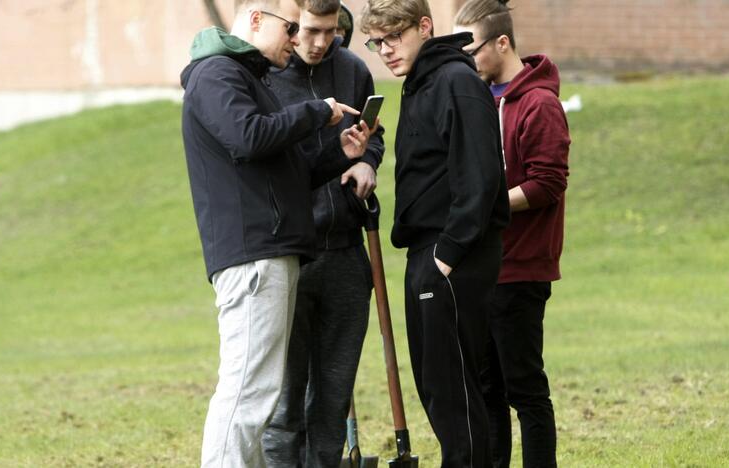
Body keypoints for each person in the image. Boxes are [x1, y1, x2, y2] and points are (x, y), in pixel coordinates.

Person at [179, 0, 376, 465]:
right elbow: (247, 137)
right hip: (252, 256)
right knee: (248, 395)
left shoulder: (247, 78)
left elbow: (284, 172)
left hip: (270, 251)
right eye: (289, 28)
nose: (295, 39)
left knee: (257, 393)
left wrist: (339, 153)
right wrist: (314, 113)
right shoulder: (216, 74)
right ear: (254, 20)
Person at [359, 0, 510, 466]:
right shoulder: (419, 85)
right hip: (426, 252)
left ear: (424, 26)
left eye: (395, 37)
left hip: (451, 257)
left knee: (455, 389)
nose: (386, 50)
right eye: (377, 42)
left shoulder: (456, 81)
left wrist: (447, 255)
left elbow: (481, 177)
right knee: (438, 386)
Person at [260, 0, 386, 466]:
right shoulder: (265, 74)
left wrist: (367, 161)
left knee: (332, 404)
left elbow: (373, 132)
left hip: (347, 256)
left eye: (330, 31)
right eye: (310, 30)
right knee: (284, 404)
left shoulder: (352, 68)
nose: (319, 43)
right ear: (291, 21)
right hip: (290, 255)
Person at [454, 0, 571, 466]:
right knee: (487, 390)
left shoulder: (540, 104)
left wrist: (488, 206)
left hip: (521, 270)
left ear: (502, 42)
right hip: (481, 269)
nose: (468, 61)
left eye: (473, 49)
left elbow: (548, 182)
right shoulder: (480, 98)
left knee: (525, 391)